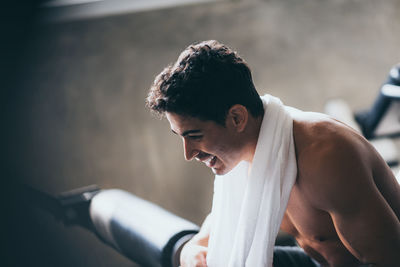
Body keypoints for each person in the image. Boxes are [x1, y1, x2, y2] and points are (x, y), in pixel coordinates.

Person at [146, 40, 400, 267]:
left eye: (195, 136)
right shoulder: (245, 154)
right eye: (181, 137)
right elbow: (220, 224)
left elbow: (389, 259)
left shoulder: (326, 156)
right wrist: (194, 248)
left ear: (236, 118)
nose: (188, 154)